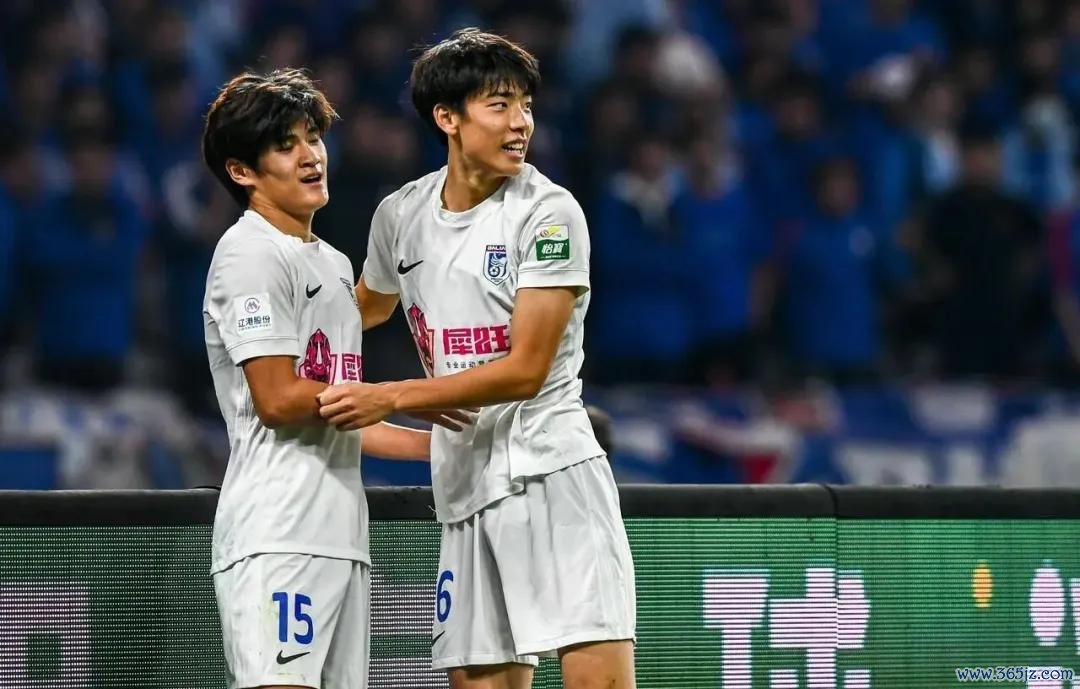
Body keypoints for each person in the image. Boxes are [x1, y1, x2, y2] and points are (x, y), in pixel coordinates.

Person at [316, 29, 636, 689]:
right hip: (464, 485)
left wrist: (391, 395)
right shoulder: (401, 214)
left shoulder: (549, 214)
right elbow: (365, 307)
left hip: (550, 472)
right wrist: (287, 328)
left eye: (526, 105)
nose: (521, 123)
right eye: (500, 104)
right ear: (447, 117)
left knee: (597, 679)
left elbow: (525, 370)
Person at [201, 68, 465, 689]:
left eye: (313, 137)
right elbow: (277, 399)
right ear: (242, 171)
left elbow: (345, 416)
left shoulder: (333, 264)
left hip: (342, 535)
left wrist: (444, 447)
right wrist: (396, 397)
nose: (310, 155)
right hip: (277, 531)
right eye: (285, 145)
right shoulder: (249, 254)